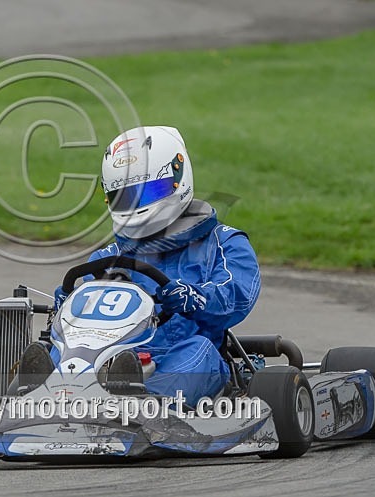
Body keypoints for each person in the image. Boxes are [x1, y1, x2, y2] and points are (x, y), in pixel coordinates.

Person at [39, 125, 261, 406]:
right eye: (127, 197)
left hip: (183, 357)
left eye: (149, 192)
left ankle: (147, 404)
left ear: (178, 180)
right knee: (61, 349)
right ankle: (37, 393)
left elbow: (237, 297)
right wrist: (68, 306)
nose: (137, 206)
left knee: (198, 349)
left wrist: (195, 298)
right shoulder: (106, 258)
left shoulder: (224, 243)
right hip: (110, 362)